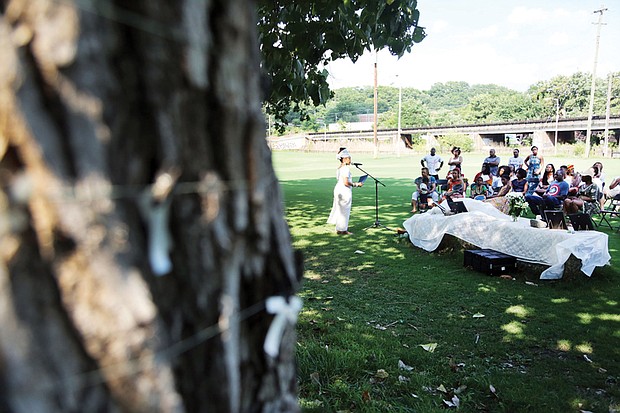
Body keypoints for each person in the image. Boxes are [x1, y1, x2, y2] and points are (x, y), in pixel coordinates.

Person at [327, 148, 363, 235]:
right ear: (345, 158)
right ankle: (343, 230)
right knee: (344, 210)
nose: (350, 160)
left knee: (340, 209)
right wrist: (356, 184)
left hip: (338, 189)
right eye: (349, 158)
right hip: (344, 191)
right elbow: (346, 182)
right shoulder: (345, 169)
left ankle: (339, 228)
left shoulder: (339, 168)